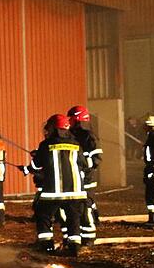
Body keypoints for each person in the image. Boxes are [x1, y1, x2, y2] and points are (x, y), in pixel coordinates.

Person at [20, 114, 87, 255]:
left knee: (43, 215)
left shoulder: (46, 145)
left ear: (54, 129)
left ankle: (46, 245)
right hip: (75, 191)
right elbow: (84, 164)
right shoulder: (76, 144)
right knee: (73, 218)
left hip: (53, 192)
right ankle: (74, 247)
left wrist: (26, 169)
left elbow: (36, 165)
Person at [68, 105, 101, 245]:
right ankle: (84, 232)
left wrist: (81, 164)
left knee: (86, 205)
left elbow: (96, 159)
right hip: (77, 176)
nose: (70, 122)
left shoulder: (88, 136)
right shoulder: (74, 134)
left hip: (86, 178)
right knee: (80, 206)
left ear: (78, 119)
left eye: (72, 119)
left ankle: (89, 237)